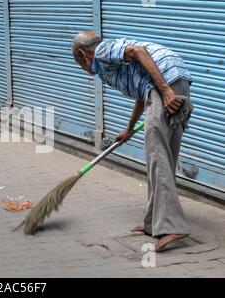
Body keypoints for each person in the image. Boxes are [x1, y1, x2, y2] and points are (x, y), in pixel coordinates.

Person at [72, 31, 194, 252]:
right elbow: (142, 93)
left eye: (78, 62)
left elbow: (140, 52)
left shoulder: (101, 52)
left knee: (156, 155)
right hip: (172, 80)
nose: (81, 68)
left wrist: (166, 91)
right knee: (163, 156)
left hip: (165, 84)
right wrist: (128, 129)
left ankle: (173, 225)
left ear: (82, 54)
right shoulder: (109, 63)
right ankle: (153, 223)